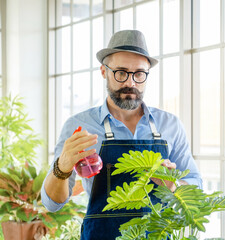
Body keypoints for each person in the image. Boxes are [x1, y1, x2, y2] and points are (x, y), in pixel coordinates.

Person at [41, 30, 202, 240]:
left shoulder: (170, 125)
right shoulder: (79, 126)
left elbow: (196, 189)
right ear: (103, 71)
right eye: (121, 72)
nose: (131, 83)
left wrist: (174, 185)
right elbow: (52, 204)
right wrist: (62, 167)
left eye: (139, 73)